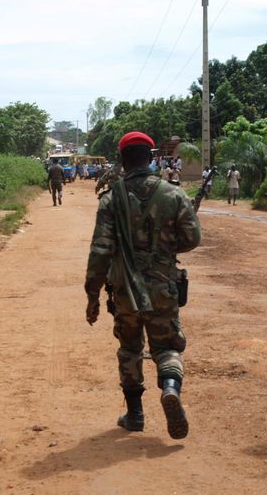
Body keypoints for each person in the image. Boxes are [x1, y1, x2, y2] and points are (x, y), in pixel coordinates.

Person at [85, 131, 201, 440]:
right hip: (163, 286)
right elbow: (192, 239)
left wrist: (92, 295)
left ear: (122, 160)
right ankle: (171, 389)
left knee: (129, 348)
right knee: (167, 346)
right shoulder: (173, 194)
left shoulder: (111, 199)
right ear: (151, 158)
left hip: (124, 289)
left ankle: (135, 415)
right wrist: (163, 248)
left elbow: (100, 251)